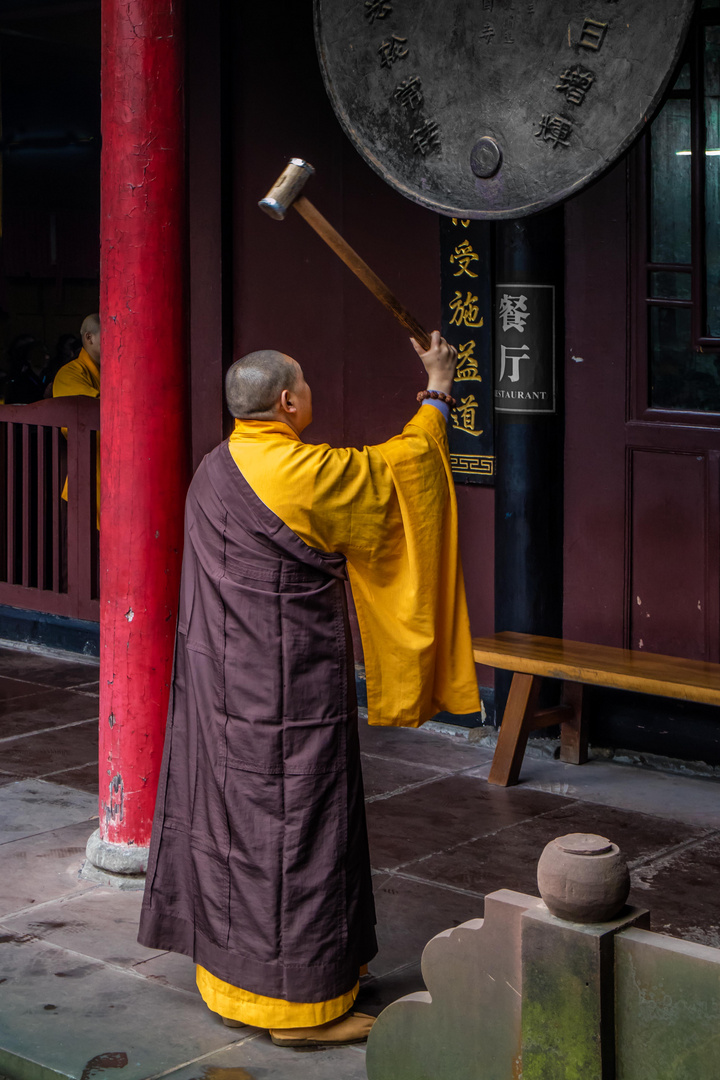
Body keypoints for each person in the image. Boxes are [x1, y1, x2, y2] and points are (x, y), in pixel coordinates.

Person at [138, 332, 480, 1048]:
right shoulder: (298, 471)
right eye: (308, 386)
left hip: (218, 688)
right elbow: (401, 472)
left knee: (231, 823)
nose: (313, 395)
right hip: (287, 688)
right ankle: (298, 1009)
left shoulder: (215, 467)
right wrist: (438, 390)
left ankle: (229, 980)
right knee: (296, 822)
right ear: (287, 401)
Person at [53, 314, 100, 523]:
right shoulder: (70, 373)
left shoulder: (112, 371)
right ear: (89, 338)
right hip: (89, 474)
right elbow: (96, 410)